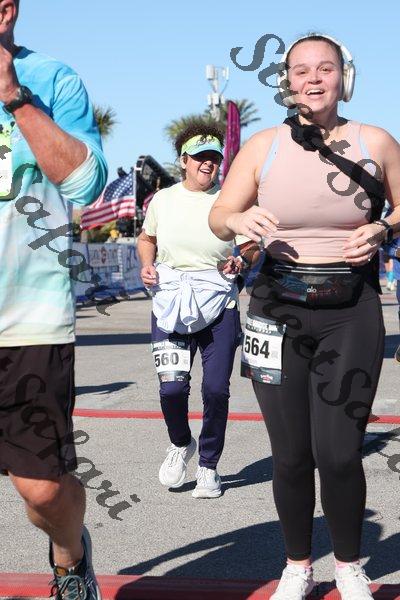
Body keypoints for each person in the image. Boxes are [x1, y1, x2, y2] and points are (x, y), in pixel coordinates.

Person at [209, 33, 400, 599]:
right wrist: (237, 222)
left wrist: (382, 228)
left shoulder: (375, 141)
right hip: (274, 309)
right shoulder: (263, 145)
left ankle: (348, 566)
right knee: (290, 455)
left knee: (338, 453)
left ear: (345, 77)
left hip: (351, 310)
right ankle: (297, 566)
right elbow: (221, 213)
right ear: (286, 82)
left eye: (326, 68)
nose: (313, 78)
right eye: (300, 70)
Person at [0, 1, 107, 597]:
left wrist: (14, 97)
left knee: (41, 489)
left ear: (6, 11)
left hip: (28, 320)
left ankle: (69, 555)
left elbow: (86, 184)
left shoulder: (53, 80)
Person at [137, 122, 252, 498]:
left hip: (219, 303)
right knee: (172, 388)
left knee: (216, 389)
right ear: (184, 160)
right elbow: (146, 238)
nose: (208, 163)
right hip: (171, 301)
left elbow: (251, 246)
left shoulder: (230, 202)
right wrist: (147, 264)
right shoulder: (163, 200)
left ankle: (208, 466)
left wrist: (242, 260)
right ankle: (180, 443)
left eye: (214, 157)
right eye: (200, 156)